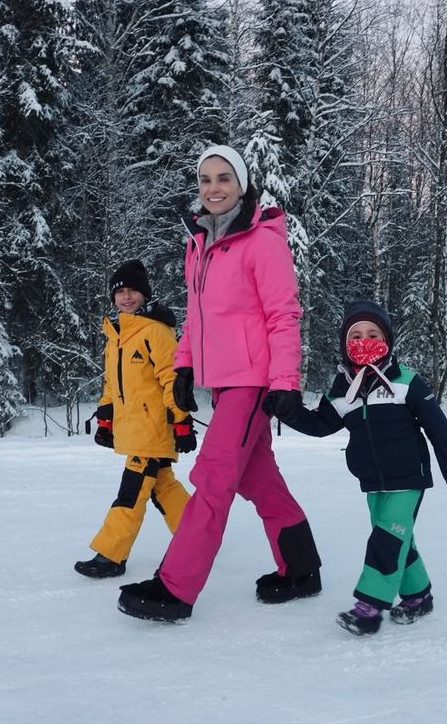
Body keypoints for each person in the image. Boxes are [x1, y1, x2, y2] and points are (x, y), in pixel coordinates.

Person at [117, 145, 322, 622]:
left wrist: (285, 383)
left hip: (253, 383)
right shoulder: (199, 245)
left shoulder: (262, 241)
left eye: (224, 178)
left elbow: (284, 316)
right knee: (259, 480)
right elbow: (198, 316)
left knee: (211, 478)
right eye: (206, 179)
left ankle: (175, 587)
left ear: (243, 185)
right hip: (222, 383)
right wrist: (185, 366)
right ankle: (301, 568)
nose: (213, 188)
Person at [271, 300, 447, 636]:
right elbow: (321, 425)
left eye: (372, 334)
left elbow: (440, 432)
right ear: (344, 345)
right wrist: (287, 410)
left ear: (387, 340)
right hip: (372, 481)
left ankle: (368, 608)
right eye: (355, 336)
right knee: (399, 538)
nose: (363, 341)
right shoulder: (342, 391)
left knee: (385, 539)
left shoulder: (406, 382)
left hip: (409, 478)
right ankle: (418, 597)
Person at [74, 260, 194, 579]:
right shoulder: (118, 335)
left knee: (131, 491)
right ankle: (198, 536)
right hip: (135, 429)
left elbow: (173, 380)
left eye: (133, 292)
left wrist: (181, 422)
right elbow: (113, 384)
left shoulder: (155, 331)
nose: (127, 298)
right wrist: (105, 419)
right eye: (121, 292)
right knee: (162, 486)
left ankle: (112, 556)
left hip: (152, 428)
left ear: (144, 295)